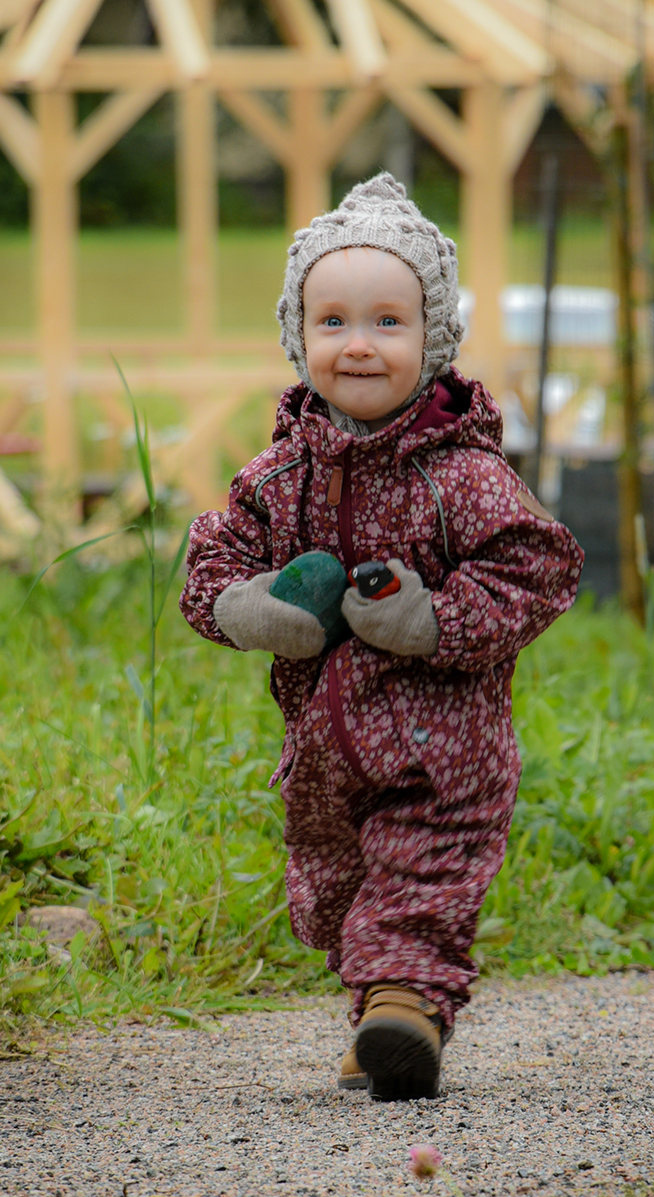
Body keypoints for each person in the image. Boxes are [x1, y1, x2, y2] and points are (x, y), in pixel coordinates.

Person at [179, 173, 583, 1101]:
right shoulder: (278, 475)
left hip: (447, 757)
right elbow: (213, 563)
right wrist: (251, 609)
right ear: (299, 336)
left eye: (388, 323)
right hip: (325, 757)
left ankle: (405, 1008)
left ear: (433, 340)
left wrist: (433, 619)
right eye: (333, 323)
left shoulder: (464, 474)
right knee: (342, 895)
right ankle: (383, 1016)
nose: (358, 345)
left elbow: (538, 567)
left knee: (420, 885)